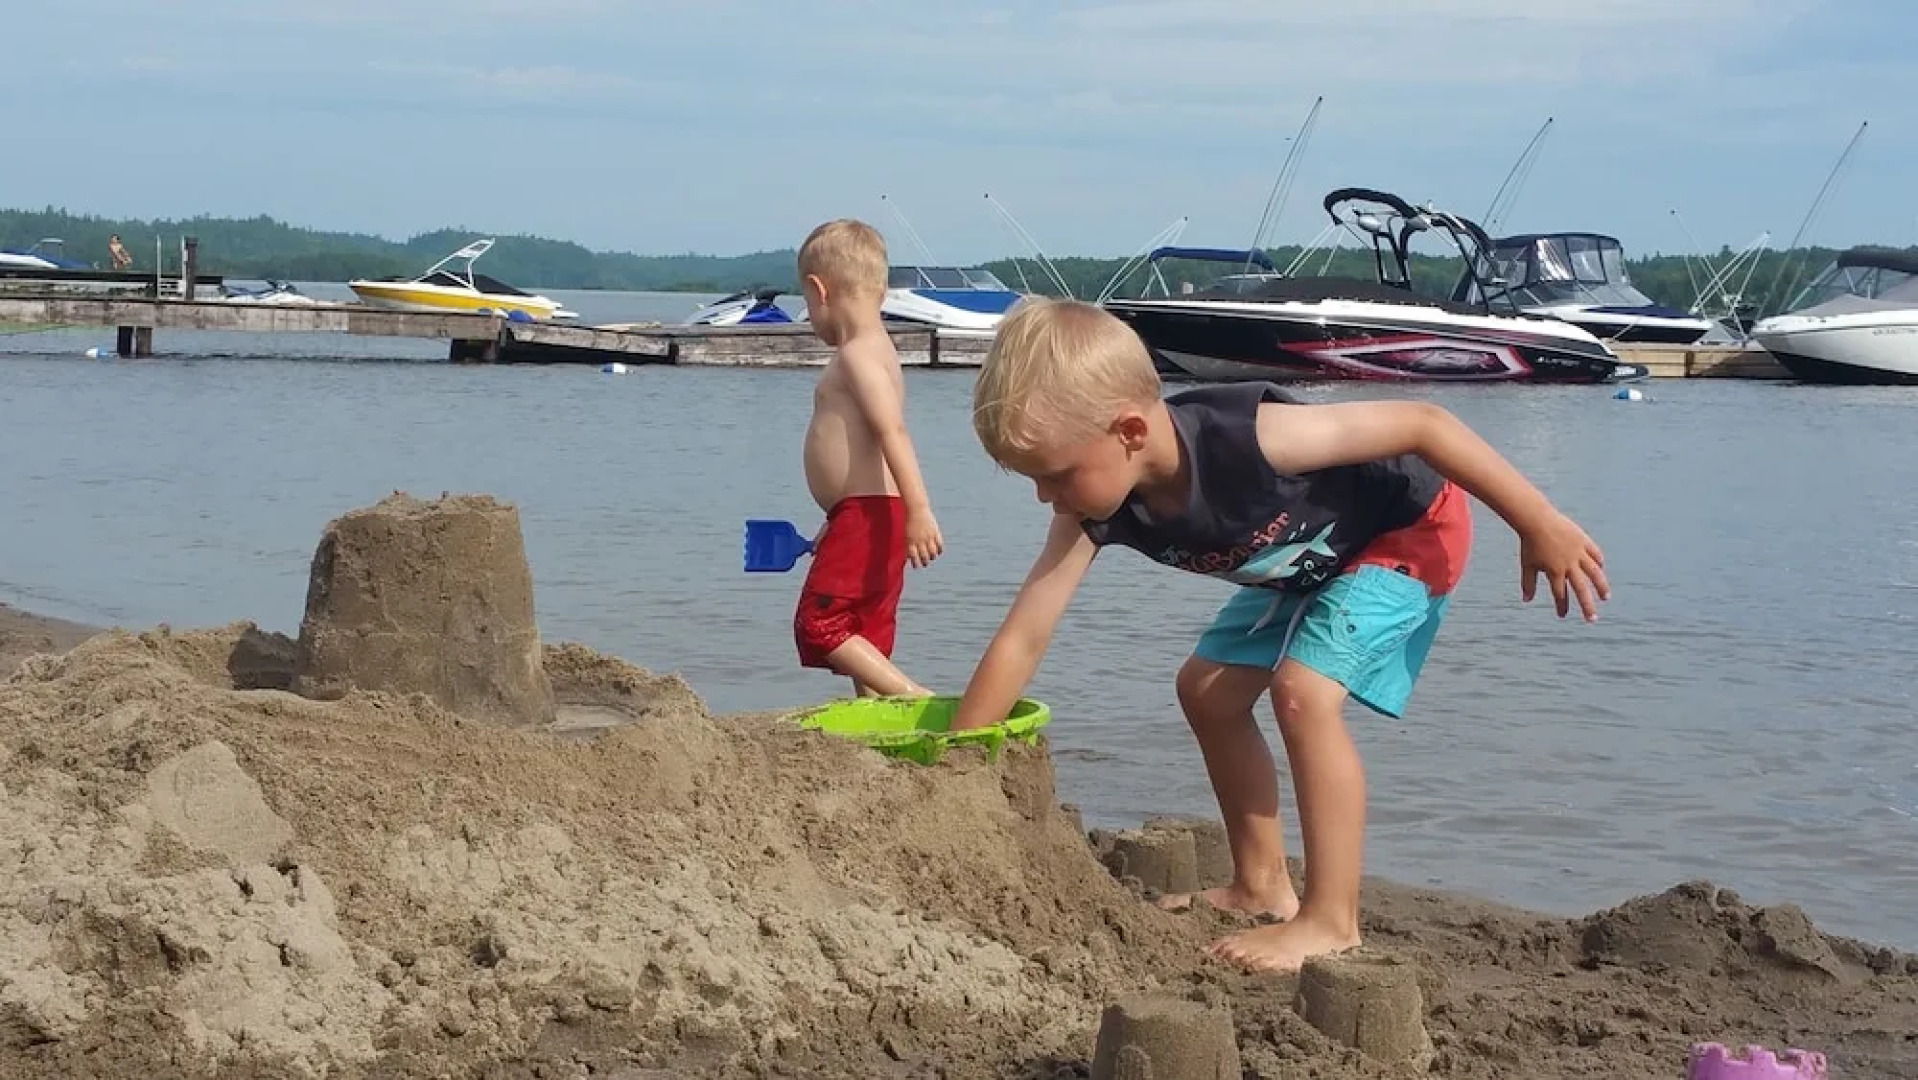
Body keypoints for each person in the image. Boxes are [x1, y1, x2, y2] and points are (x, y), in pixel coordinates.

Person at [948, 298, 1609, 973]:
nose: (1045, 498)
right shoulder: (1093, 509)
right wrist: (955, 765)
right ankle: (1261, 886)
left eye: (1055, 475)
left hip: (1407, 528)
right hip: (1307, 564)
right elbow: (1025, 635)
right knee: (1206, 691)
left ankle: (1331, 920)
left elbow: (1423, 423)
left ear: (1128, 431)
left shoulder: (1252, 438)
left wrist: (1538, 521)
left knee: (1302, 692)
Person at [791, 218, 944, 697]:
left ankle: (914, 699)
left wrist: (920, 509)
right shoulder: (881, 350)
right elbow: (869, 448)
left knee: (820, 624)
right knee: (865, 630)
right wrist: (837, 520)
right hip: (866, 513)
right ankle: (878, 721)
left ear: (819, 291)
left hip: (870, 514)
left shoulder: (857, 355)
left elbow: (890, 430)